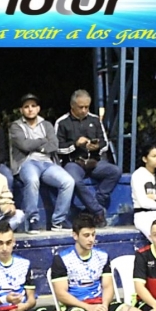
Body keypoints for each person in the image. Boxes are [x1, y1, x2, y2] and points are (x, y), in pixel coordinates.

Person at [9, 93, 75, 232]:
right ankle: (32, 220)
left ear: (38, 108)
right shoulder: (16, 126)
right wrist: (42, 141)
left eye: (33, 106)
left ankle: (58, 221)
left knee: (68, 181)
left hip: (47, 163)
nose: (30, 109)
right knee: (32, 180)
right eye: (26, 107)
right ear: (21, 110)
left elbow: (54, 145)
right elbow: (24, 146)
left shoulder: (46, 124)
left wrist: (38, 145)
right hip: (27, 162)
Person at [55, 89, 121, 228]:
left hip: (94, 161)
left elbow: (105, 143)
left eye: (87, 107)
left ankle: (92, 207)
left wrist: (96, 147)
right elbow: (57, 148)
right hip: (74, 162)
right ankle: (97, 211)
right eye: (81, 107)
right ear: (72, 106)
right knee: (74, 180)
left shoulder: (95, 120)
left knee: (115, 171)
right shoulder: (62, 122)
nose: (84, 110)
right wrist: (75, 144)